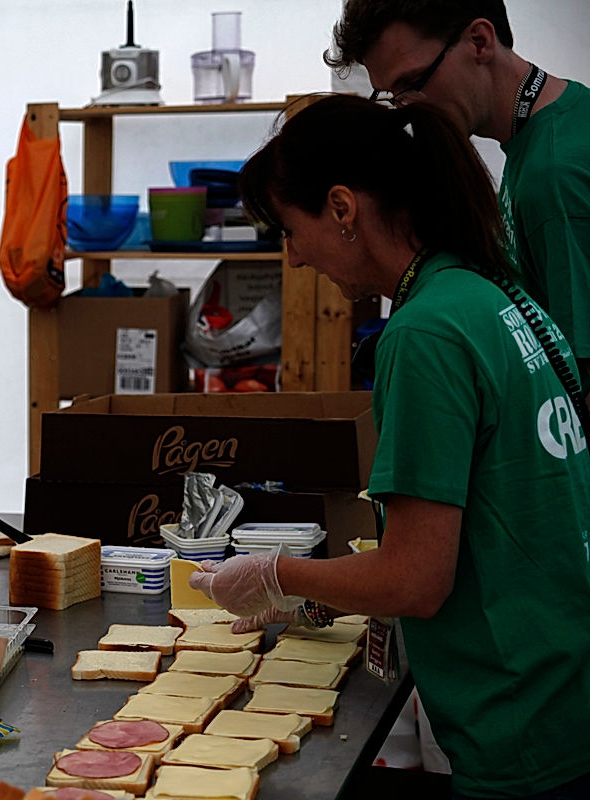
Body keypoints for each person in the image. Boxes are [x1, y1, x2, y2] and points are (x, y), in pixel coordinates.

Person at [188, 95, 590, 799]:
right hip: (568, 681)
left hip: (527, 727)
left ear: (342, 208)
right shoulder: (489, 290)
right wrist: (323, 597)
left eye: (290, 229)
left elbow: (416, 580)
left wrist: (283, 576)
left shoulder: (426, 332)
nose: (295, 257)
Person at [326, 0, 590, 390]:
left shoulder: (553, 175)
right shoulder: (558, 124)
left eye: (413, 83)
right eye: (391, 95)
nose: (406, 108)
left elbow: (580, 386)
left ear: (480, 41)